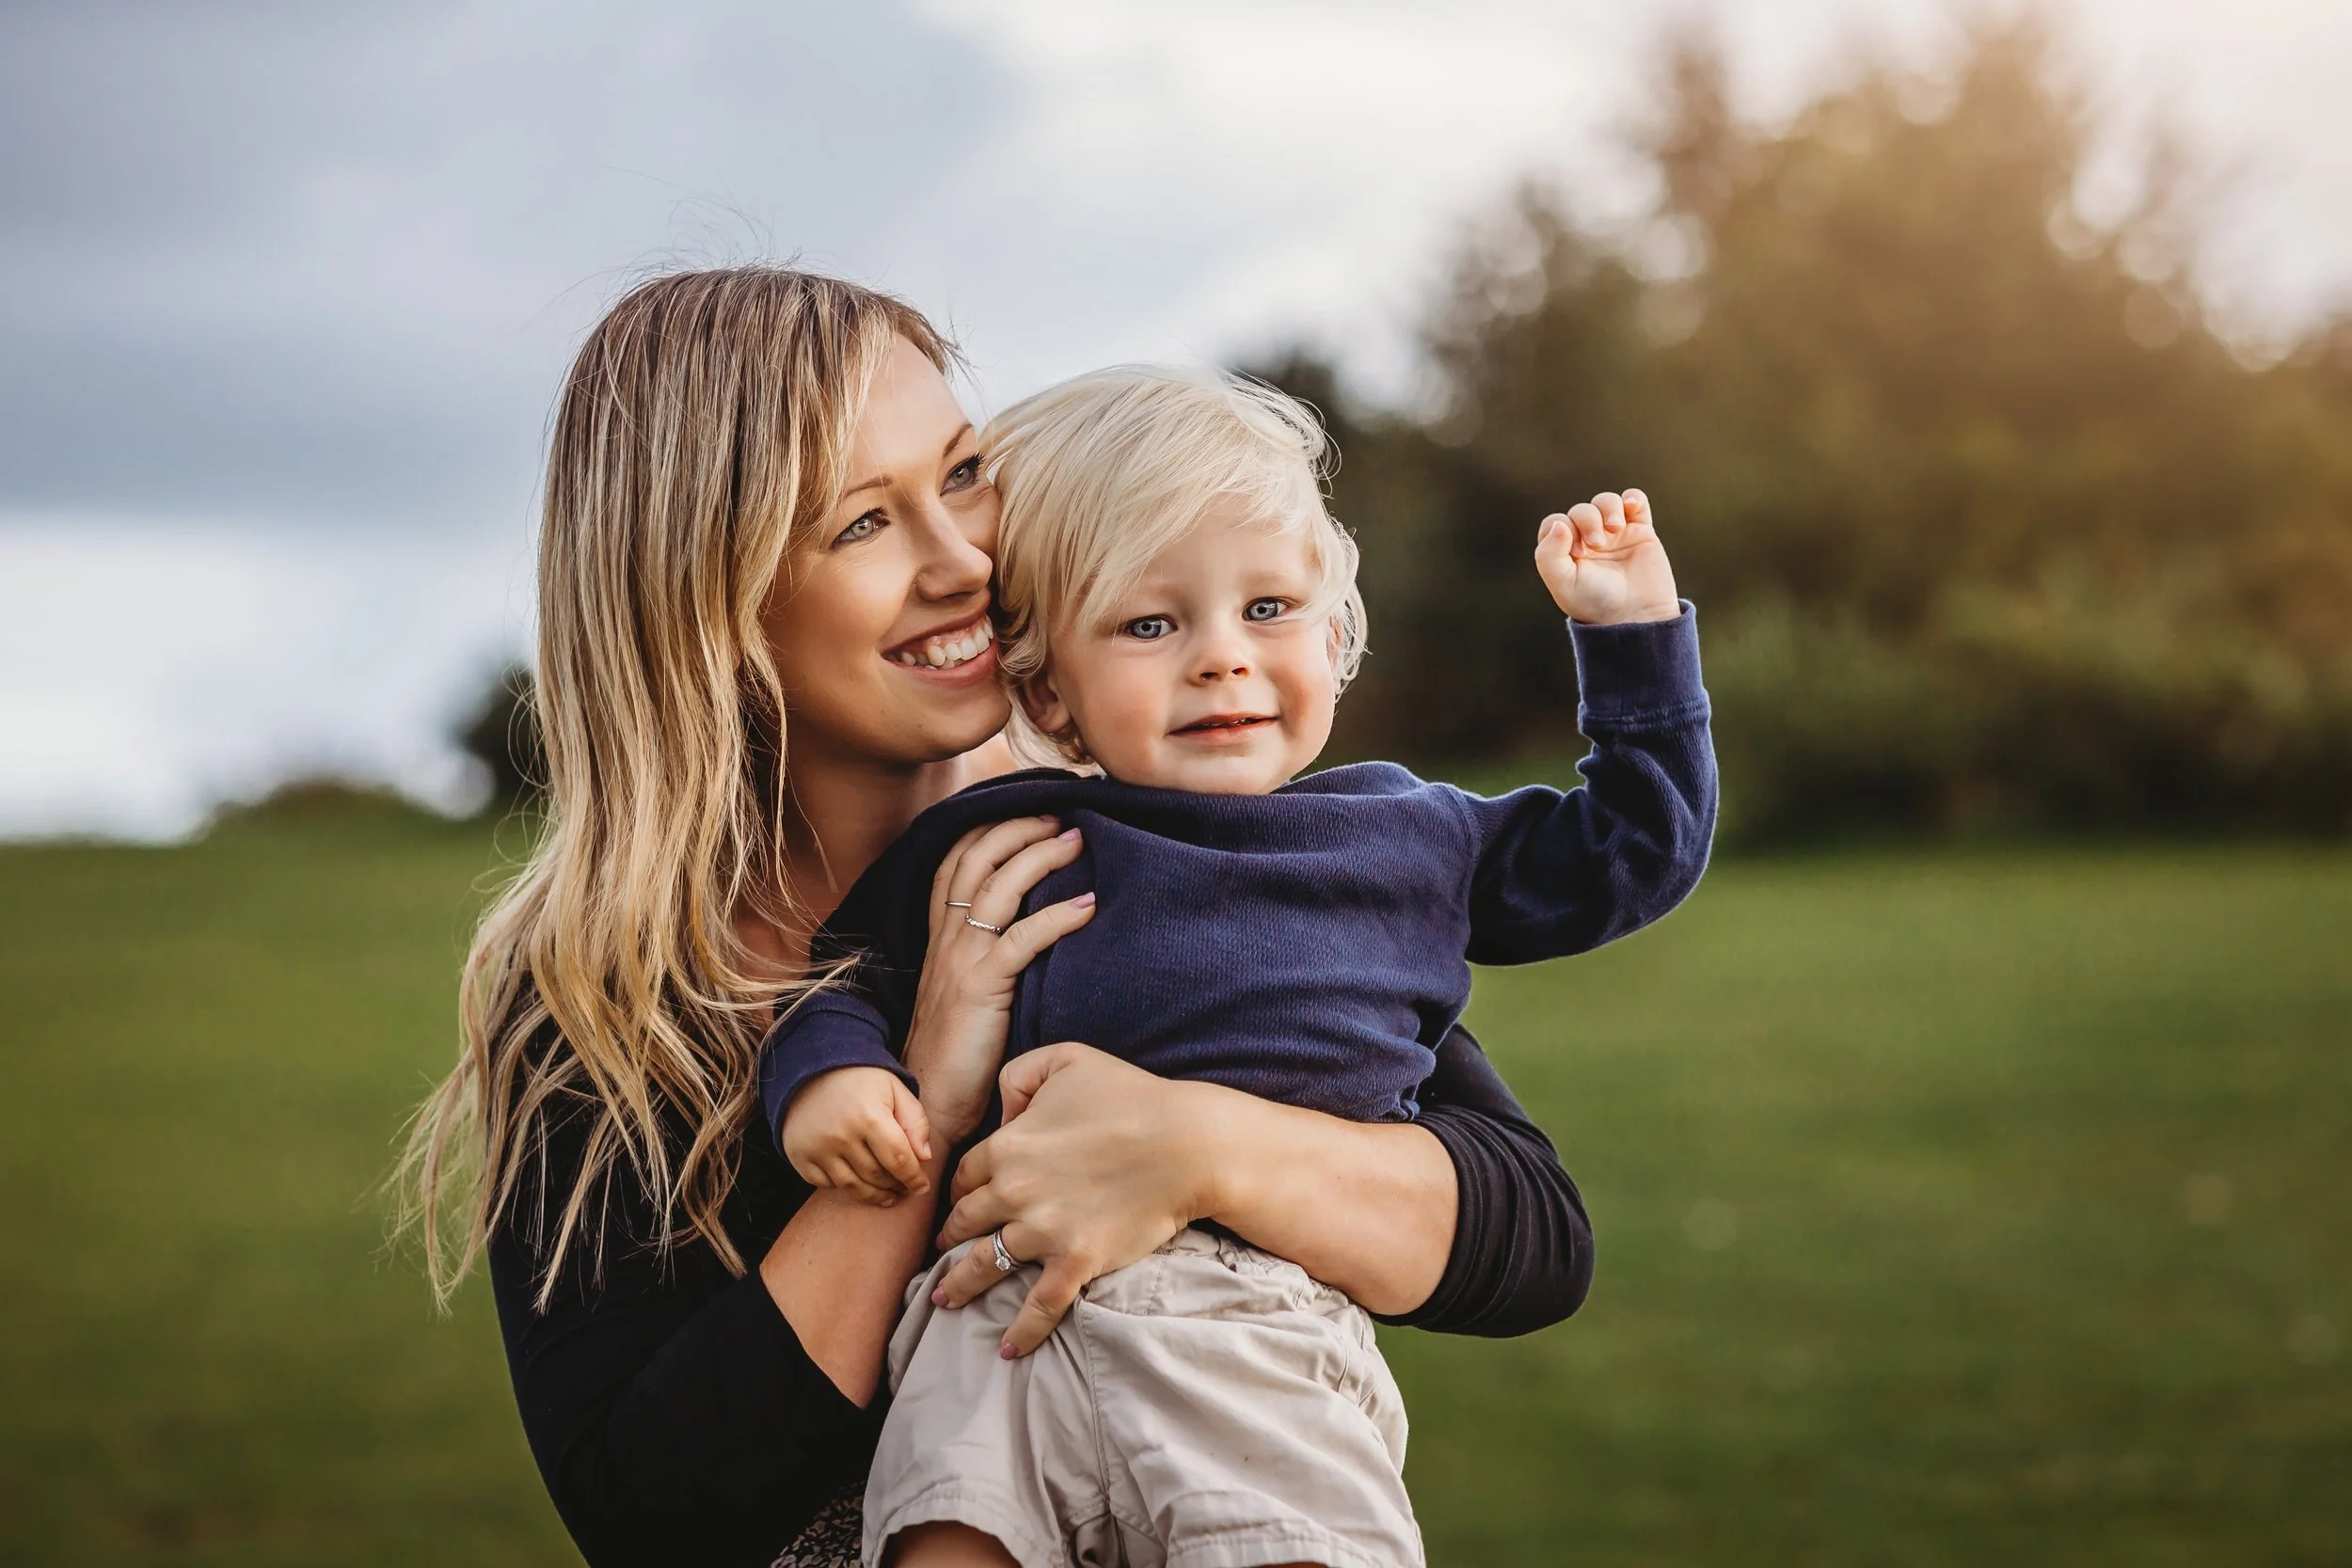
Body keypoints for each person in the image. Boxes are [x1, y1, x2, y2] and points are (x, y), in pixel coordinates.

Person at [399, 267, 1600, 1568]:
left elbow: (1532, 1234)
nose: (963, 558)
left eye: (963, 473)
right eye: (865, 523)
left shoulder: (1132, 832)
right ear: (708, 599)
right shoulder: (601, 998)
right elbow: (650, 1515)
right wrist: (925, 1098)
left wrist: (1195, 1145)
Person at [762, 367, 1715, 1568]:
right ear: (1049, 689)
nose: (1220, 656)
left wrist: (1630, 641)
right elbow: (842, 979)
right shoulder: (1007, 842)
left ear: (1333, 634)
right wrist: (833, 1079)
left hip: (1252, 1317)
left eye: (1267, 606)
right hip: (996, 1313)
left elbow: (1628, 852)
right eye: (1150, 624)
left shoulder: (1404, 838)